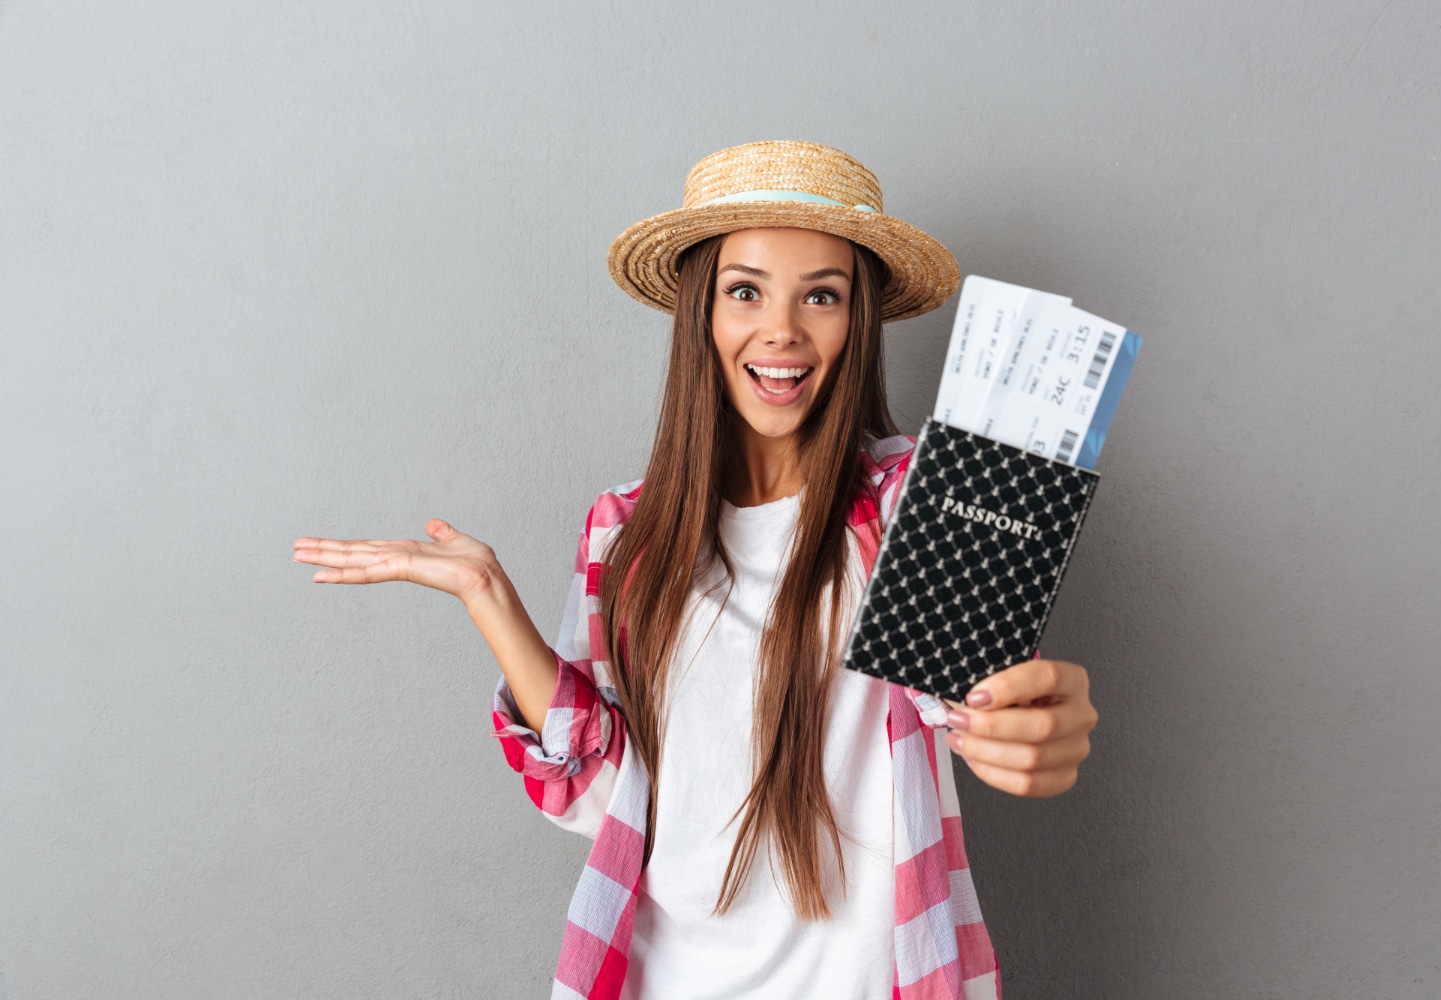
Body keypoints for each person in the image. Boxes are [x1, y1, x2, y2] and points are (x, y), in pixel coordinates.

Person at [293, 141, 1098, 1000]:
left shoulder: (910, 505)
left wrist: (1035, 725)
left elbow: (980, 700)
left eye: (820, 295)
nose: (781, 329)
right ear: (702, 313)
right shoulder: (625, 533)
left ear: (855, 322)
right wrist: (488, 597)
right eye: (745, 290)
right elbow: (603, 800)